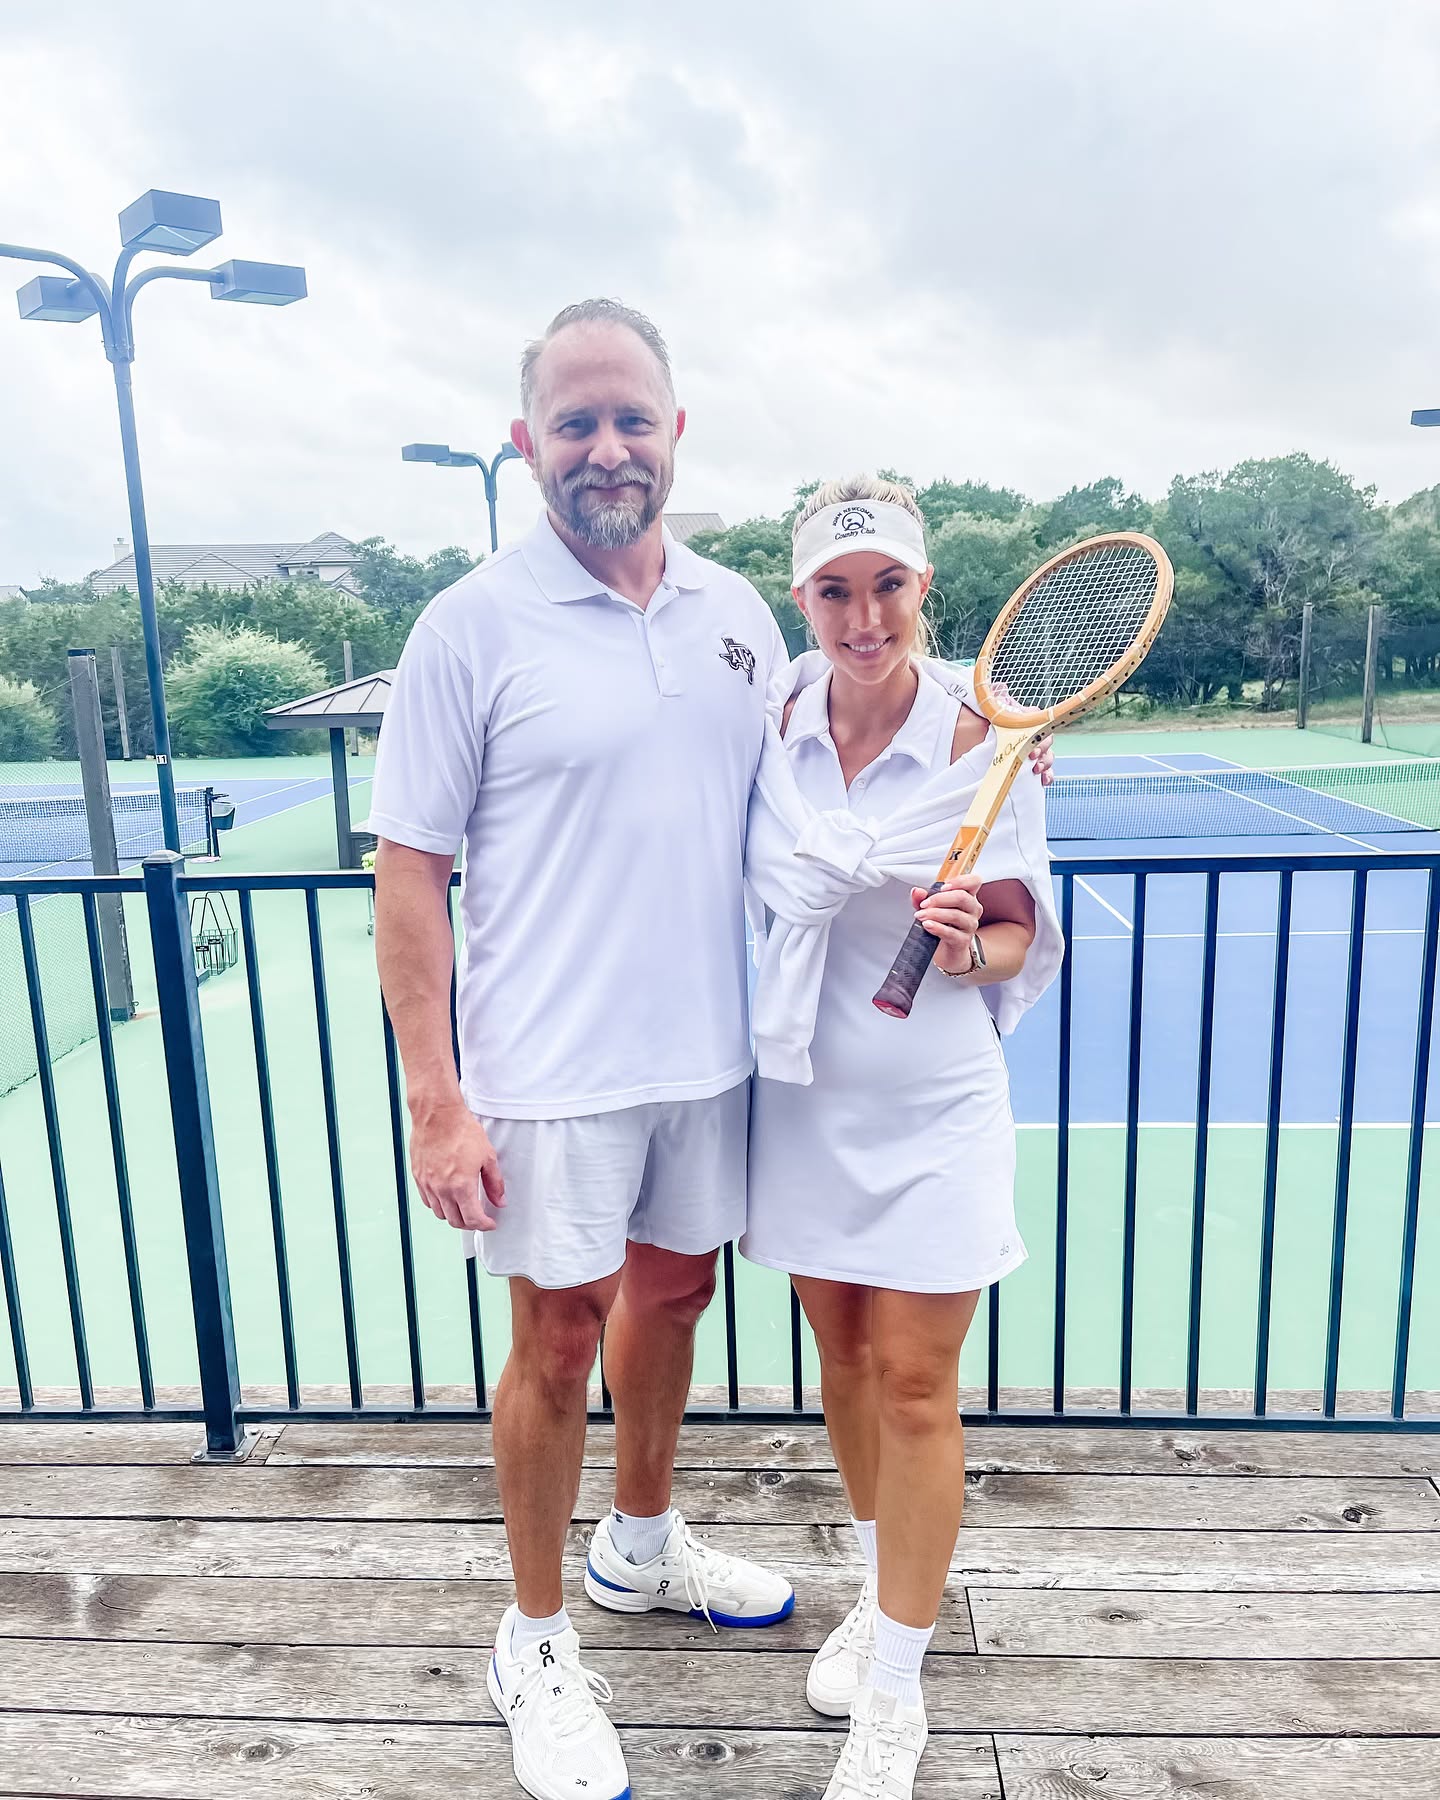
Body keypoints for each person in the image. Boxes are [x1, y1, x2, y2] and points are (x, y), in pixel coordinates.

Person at [369, 299, 798, 1800]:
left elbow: (822, 782)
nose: (606, 447)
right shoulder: (467, 625)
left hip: (707, 1059)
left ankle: (641, 1546)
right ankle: (536, 1640)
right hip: (546, 1074)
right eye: (575, 422)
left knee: (673, 1297)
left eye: (631, 419)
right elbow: (408, 868)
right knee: (555, 1338)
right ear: (525, 442)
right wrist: (439, 1100)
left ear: (678, 432)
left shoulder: (743, 616)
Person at [742, 476, 1063, 1800]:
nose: (863, 615)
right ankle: (886, 1589)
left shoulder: (986, 741)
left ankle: (896, 1688)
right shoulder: (765, 724)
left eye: (887, 586)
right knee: (848, 1361)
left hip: (934, 1101)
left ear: (922, 589)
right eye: (834, 589)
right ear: (802, 597)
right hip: (804, 1093)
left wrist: (964, 942)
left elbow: (1016, 934)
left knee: (919, 1385)